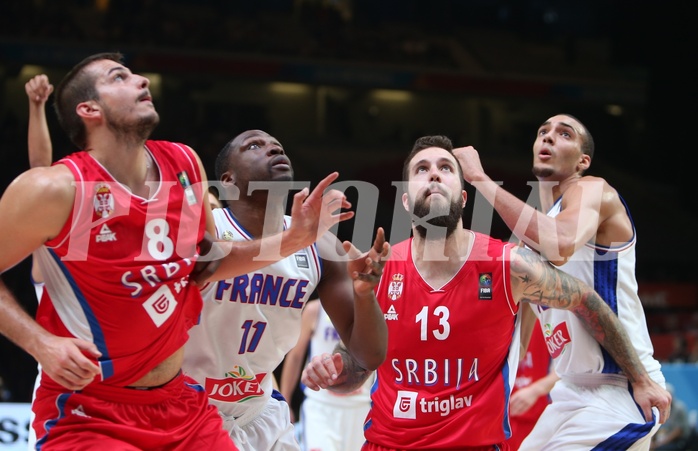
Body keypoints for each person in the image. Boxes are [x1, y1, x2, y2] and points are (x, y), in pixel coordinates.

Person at [0, 52, 352, 450]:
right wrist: (39, 343)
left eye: (136, 74)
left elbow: (209, 265)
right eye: (120, 77)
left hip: (179, 405)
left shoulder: (184, 163)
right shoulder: (54, 189)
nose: (142, 82)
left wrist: (295, 239)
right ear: (89, 109)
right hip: (91, 410)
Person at [301, 135, 671, 450]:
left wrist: (639, 378)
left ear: (463, 198)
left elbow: (586, 299)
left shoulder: (510, 266)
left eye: (445, 168)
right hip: (388, 442)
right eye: (421, 169)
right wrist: (333, 371)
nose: (433, 174)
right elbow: (358, 368)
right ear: (403, 200)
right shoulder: (379, 271)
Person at [454, 113, 672, 449]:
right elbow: (519, 319)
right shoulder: (530, 232)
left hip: (621, 387)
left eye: (564, 133)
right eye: (543, 131)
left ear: (583, 160)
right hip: (569, 392)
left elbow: (560, 244)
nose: (549, 137)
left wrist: (480, 179)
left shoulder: (592, 189)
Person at [181, 129, 389, 450]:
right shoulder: (206, 230)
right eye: (254, 145)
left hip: (259, 413)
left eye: (277, 146)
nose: (273, 149)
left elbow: (369, 354)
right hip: (188, 410)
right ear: (228, 180)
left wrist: (365, 295)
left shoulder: (321, 246)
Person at [280, 298, 374, 451]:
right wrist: (285, 402)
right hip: (320, 407)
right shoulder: (314, 310)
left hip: (360, 406)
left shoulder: (375, 310)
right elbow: (295, 357)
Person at [506, 306, 558, 450]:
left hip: (536, 421)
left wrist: (535, 390)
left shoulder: (548, 317)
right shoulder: (493, 315)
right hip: (498, 422)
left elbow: (567, 371)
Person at [651, 384, 693, 450]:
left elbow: (678, 431)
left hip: (679, 441)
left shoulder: (679, 408)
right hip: (665, 438)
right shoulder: (661, 408)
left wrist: (659, 444)